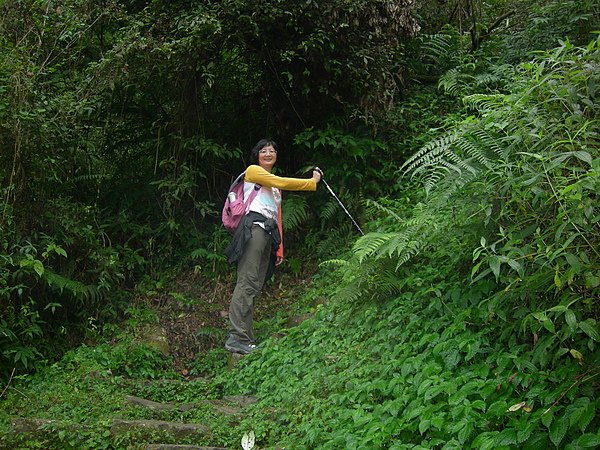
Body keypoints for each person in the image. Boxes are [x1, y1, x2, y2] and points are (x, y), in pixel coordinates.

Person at [224, 139, 322, 355]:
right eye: (263, 150)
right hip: (254, 230)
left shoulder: (275, 190)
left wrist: (279, 249)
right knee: (247, 282)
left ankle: (246, 338)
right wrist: (311, 182)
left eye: (272, 150)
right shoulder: (253, 171)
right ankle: (236, 336)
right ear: (257, 155)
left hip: (268, 234)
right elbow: (281, 181)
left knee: (254, 286)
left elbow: (277, 217)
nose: (268, 153)